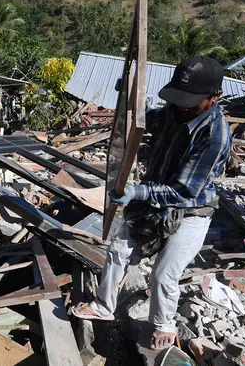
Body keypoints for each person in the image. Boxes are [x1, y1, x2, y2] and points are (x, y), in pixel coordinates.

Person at [71, 56, 232, 350]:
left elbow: (184, 191)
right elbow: (148, 121)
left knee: (164, 272)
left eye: (191, 102)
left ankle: (163, 323)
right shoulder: (176, 110)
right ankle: (104, 307)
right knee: (119, 250)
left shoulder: (215, 135)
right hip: (155, 200)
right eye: (180, 100)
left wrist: (136, 192)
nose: (183, 106)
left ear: (215, 96)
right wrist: (130, 104)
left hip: (191, 210)